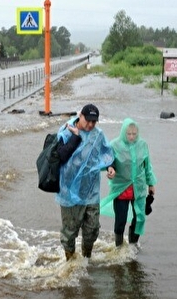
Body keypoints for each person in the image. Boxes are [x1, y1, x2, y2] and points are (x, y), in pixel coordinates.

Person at [56, 103, 116, 261]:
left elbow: (107, 152)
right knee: (69, 232)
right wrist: (75, 137)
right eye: (87, 120)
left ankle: (86, 260)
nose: (90, 125)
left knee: (92, 229)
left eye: (93, 122)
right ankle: (70, 262)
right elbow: (60, 156)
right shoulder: (66, 131)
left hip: (91, 191)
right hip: (69, 192)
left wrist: (110, 166)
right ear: (80, 116)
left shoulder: (98, 135)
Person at [101, 118, 157, 247]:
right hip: (121, 188)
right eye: (128, 134)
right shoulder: (114, 145)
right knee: (120, 220)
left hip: (139, 187)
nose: (131, 137)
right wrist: (110, 170)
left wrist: (151, 184)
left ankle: (133, 244)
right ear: (123, 132)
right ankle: (119, 246)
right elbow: (108, 161)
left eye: (134, 134)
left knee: (139, 218)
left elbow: (147, 166)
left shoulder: (143, 145)